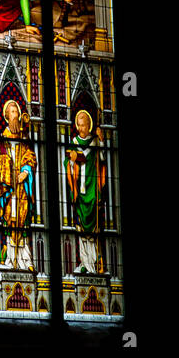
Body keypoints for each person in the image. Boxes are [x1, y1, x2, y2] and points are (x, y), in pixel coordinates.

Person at [0, 99, 36, 270]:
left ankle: (26, 260)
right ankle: (10, 259)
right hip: (9, 187)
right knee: (10, 218)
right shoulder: (2, 139)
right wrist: (7, 169)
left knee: (23, 218)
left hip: (22, 188)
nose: (15, 115)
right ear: (6, 116)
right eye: (12, 112)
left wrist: (25, 172)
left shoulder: (25, 138)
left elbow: (31, 157)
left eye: (16, 112)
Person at [65, 108, 107, 274]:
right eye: (80, 125)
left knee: (94, 228)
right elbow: (68, 164)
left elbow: (102, 160)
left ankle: (96, 263)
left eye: (85, 125)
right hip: (80, 190)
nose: (82, 128)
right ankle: (84, 262)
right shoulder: (74, 142)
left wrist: (102, 140)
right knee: (81, 229)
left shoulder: (95, 142)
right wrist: (71, 161)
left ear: (89, 125)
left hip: (92, 188)